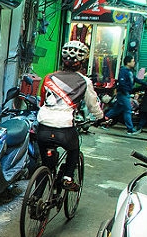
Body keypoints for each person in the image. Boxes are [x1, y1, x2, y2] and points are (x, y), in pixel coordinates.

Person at [37, 40, 106, 191]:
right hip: (64, 128)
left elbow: (42, 101)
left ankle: (35, 197)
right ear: (82, 62)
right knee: (74, 150)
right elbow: (93, 104)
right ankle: (67, 178)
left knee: (45, 164)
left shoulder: (49, 78)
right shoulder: (84, 81)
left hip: (43, 127)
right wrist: (100, 118)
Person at [104, 55, 147, 135]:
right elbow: (122, 83)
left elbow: (135, 79)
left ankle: (103, 122)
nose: (134, 63)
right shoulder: (123, 71)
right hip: (123, 94)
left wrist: (146, 83)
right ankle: (130, 129)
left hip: (125, 93)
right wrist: (126, 91)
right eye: (133, 61)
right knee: (128, 110)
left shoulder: (130, 71)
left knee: (116, 110)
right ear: (128, 62)